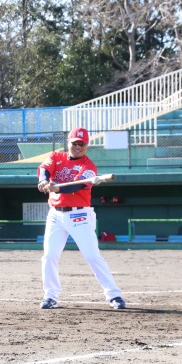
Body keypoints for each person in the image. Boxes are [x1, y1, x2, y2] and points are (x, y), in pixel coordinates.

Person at [37, 127, 126, 310]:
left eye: (82, 144)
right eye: (74, 143)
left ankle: (114, 295)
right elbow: (44, 169)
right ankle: (50, 296)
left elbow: (74, 187)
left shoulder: (89, 166)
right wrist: (44, 181)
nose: (78, 147)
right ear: (68, 142)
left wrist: (58, 188)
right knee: (49, 256)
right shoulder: (56, 156)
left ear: (86, 145)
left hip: (79, 214)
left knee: (92, 256)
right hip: (55, 214)